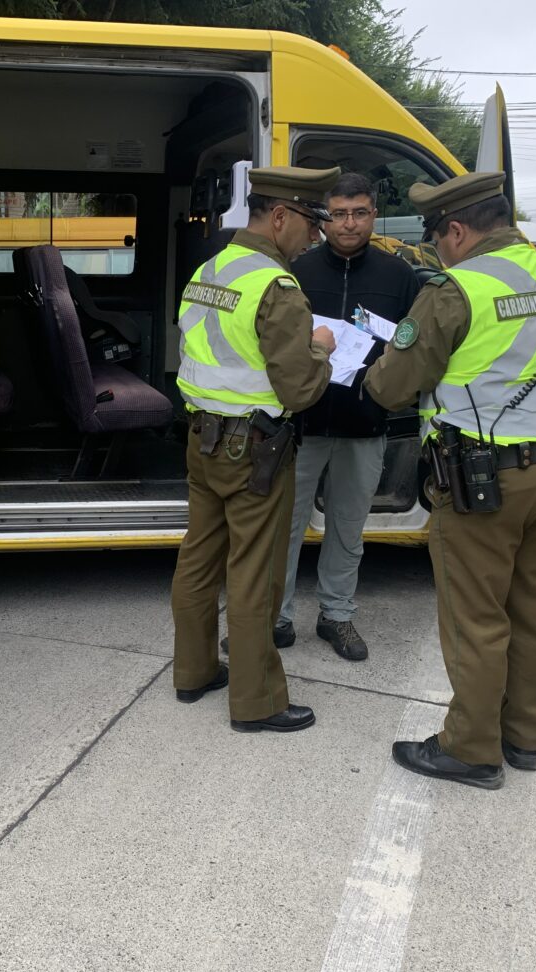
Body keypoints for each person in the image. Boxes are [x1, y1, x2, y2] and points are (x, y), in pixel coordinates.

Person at [364, 172, 536, 789]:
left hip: (484, 479)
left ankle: (469, 749)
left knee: (476, 615)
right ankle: (523, 737)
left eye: (437, 237)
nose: (439, 250)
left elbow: (391, 387)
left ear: (458, 231)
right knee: (535, 609)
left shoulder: (456, 289)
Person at [171, 166, 338, 733]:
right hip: (255, 450)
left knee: (198, 559)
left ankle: (194, 672)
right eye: (311, 222)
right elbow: (300, 389)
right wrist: (321, 349)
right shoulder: (277, 287)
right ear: (281, 216)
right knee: (255, 574)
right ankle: (257, 702)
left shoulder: (210, 270)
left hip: (203, 437)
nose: (316, 235)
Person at [275, 172, 421, 660]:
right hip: (302, 422)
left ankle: (336, 616)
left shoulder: (399, 277)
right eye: (339, 214)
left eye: (359, 213)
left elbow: (412, 348)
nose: (349, 224)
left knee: (347, 528)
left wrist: (388, 395)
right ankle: (277, 618)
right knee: (284, 526)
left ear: (373, 215)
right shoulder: (296, 270)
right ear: (324, 219)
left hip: (365, 422)